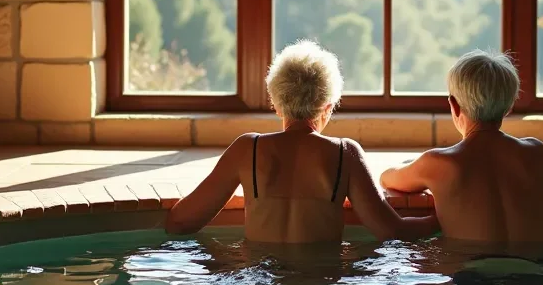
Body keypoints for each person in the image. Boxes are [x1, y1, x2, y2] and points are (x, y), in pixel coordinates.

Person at [166, 40, 438, 242]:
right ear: (328, 107)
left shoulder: (247, 150)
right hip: (319, 284)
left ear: (276, 103)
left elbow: (180, 222)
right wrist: (439, 221)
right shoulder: (345, 154)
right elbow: (392, 231)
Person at [379, 50, 543, 245]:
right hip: (532, 278)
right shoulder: (535, 154)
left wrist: (417, 167)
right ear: (509, 106)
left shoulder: (439, 163)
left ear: (453, 106)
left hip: (474, 280)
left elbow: (387, 178)